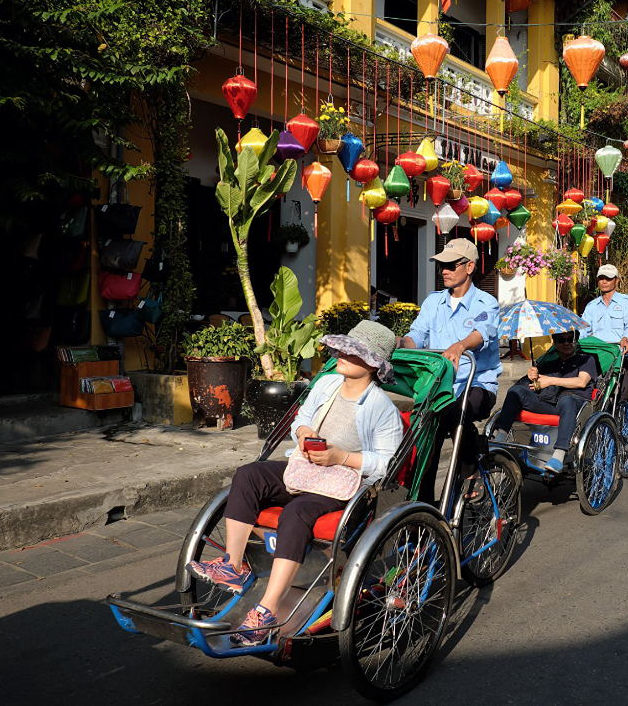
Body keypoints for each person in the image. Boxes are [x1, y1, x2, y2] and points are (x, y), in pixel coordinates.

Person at [187, 321, 403, 646]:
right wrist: (304, 433)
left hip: (342, 483)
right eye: (342, 348)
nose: (341, 355)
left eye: (353, 353)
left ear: (373, 365)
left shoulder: (381, 408)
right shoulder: (327, 384)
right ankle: (233, 565)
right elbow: (301, 418)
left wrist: (340, 457)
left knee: (297, 512)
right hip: (304, 469)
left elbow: (388, 463)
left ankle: (267, 609)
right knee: (248, 475)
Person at [400, 238, 501, 505]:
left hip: (477, 384)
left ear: (469, 267)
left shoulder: (486, 302)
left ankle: (471, 469)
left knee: (455, 411)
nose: (444, 271)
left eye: (450, 265)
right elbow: (416, 335)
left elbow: (483, 332)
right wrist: (398, 344)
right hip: (440, 386)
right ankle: (423, 509)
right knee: (424, 439)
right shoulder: (433, 302)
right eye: (441, 266)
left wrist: (460, 345)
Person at [490, 330, 597, 473]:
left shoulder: (586, 360)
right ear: (555, 343)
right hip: (552, 405)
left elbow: (581, 382)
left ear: (576, 341)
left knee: (567, 400)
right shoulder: (549, 364)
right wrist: (532, 376)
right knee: (516, 391)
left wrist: (550, 380)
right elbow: (536, 385)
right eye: (562, 340)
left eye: (570, 339)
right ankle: (500, 438)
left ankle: (559, 455)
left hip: (576, 404)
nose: (567, 343)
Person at [581, 264, 628, 398]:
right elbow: (583, 329)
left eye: (608, 278)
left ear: (616, 280)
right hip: (599, 355)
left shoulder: (627, 301)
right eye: (601, 278)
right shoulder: (592, 306)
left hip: (623, 355)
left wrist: (625, 338)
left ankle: (623, 407)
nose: (604, 281)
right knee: (594, 395)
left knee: (621, 396)